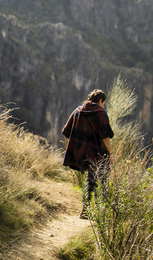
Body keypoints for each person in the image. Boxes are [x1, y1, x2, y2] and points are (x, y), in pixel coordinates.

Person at [62, 89, 114, 219]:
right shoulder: (100, 114)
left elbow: (66, 131)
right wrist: (111, 153)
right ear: (101, 101)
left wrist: (81, 142)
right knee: (100, 181)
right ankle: (98, 212)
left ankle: (86, 210)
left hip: (80, 153)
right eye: (103, 103)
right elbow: (105, 136)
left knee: (89, 181)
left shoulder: (77, 111)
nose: (103, 105)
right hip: (97, 153)